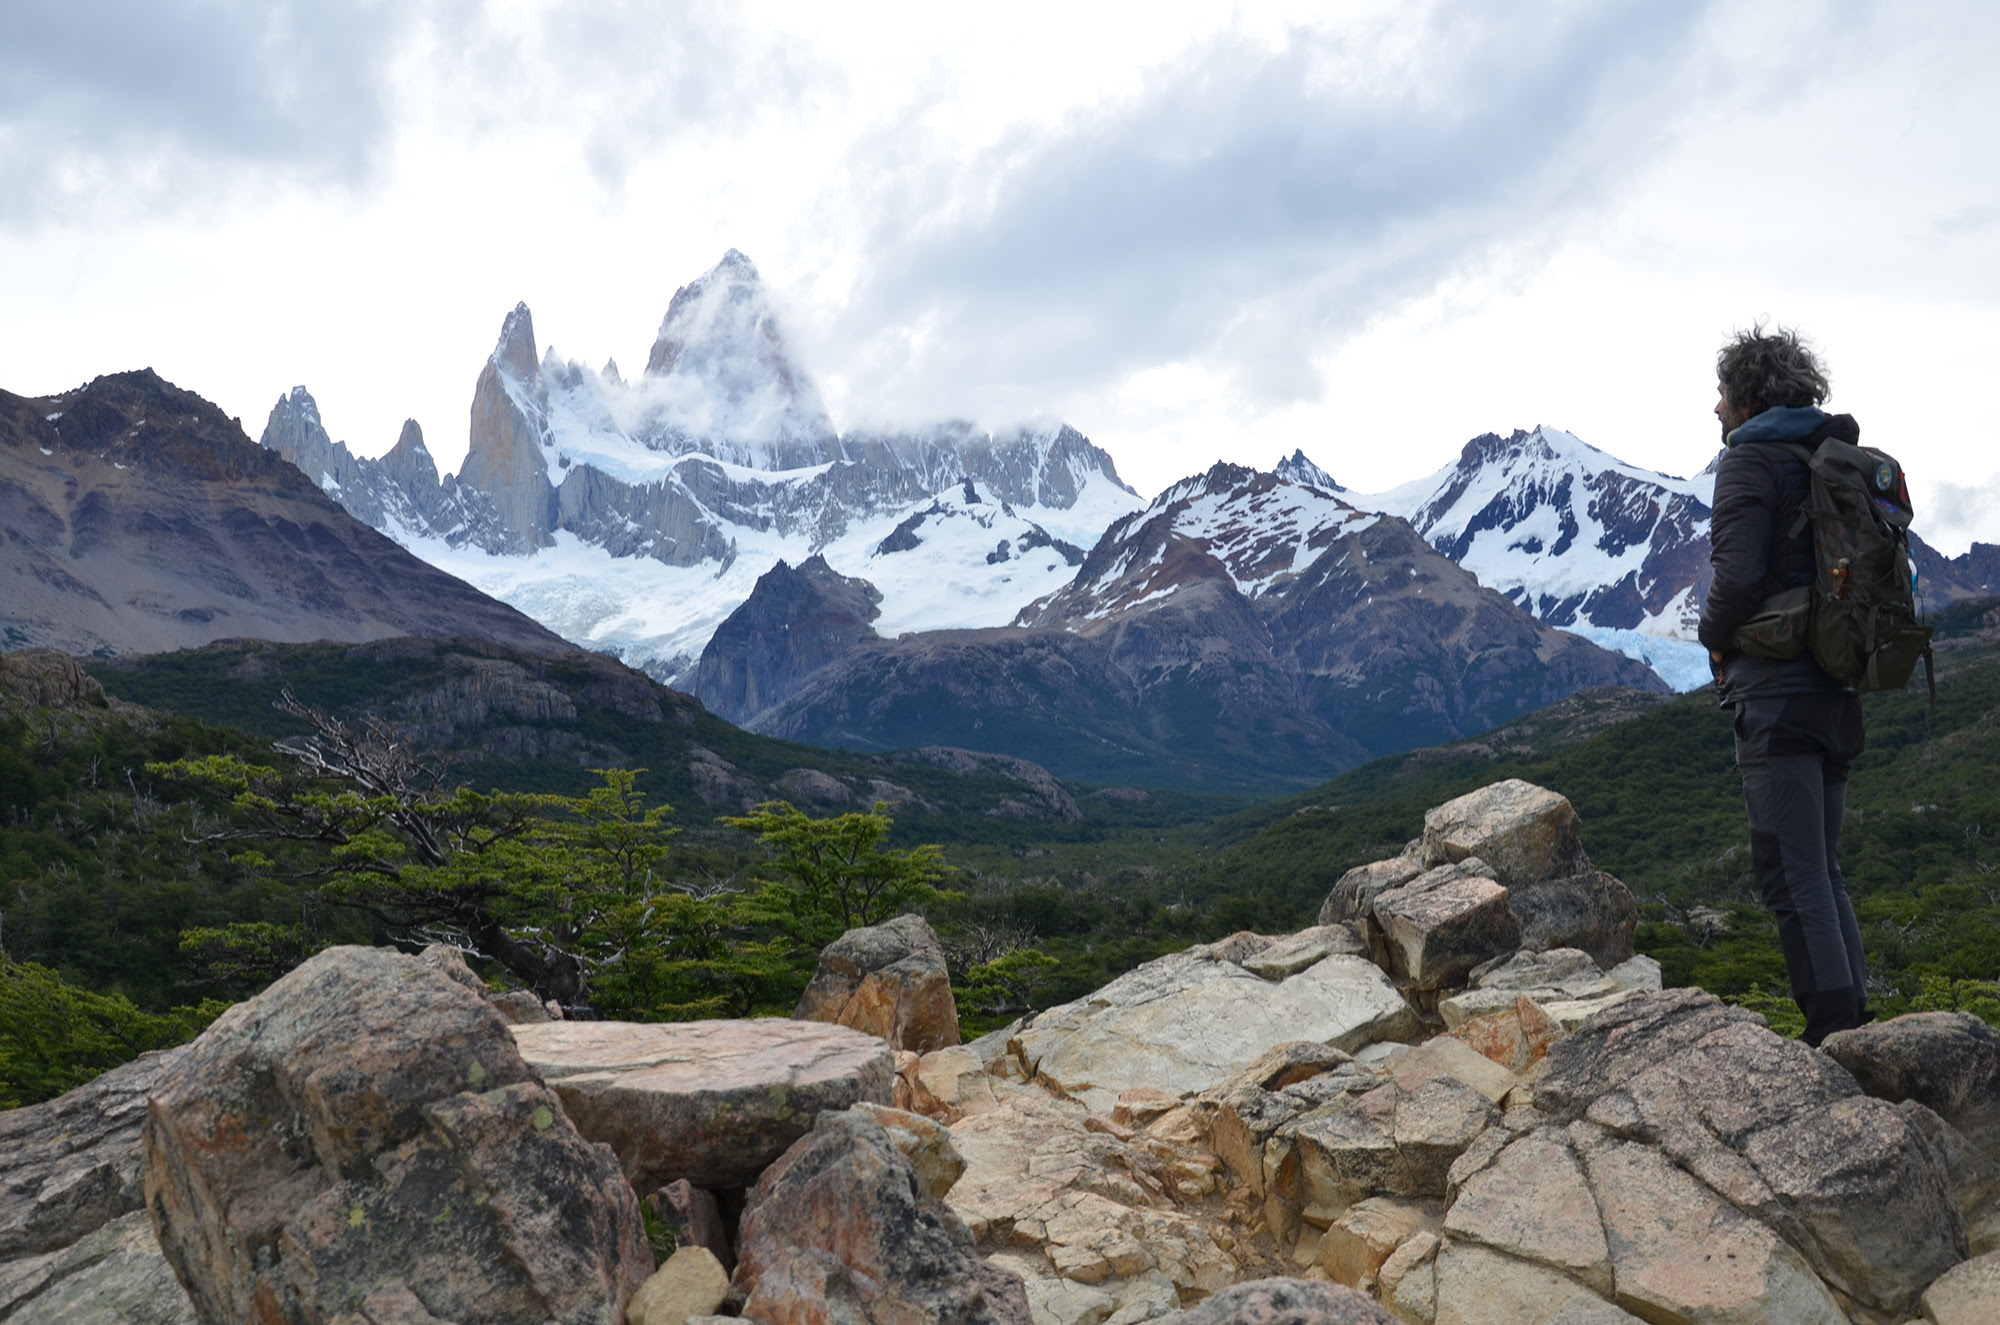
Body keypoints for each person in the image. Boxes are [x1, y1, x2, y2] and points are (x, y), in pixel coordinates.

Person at [1698, 325, 1870, 1046]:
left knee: (1789, 873)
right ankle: (1857, 1021)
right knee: (1821, 867)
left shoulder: (1751, 464)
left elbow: (1736, 577)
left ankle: (1834, 1031)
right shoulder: (1829, 456)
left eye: (1722, 393)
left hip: (1775, 695)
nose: (1714, 406)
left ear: (1745, 397)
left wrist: (1711, 638)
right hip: (1837, 689)